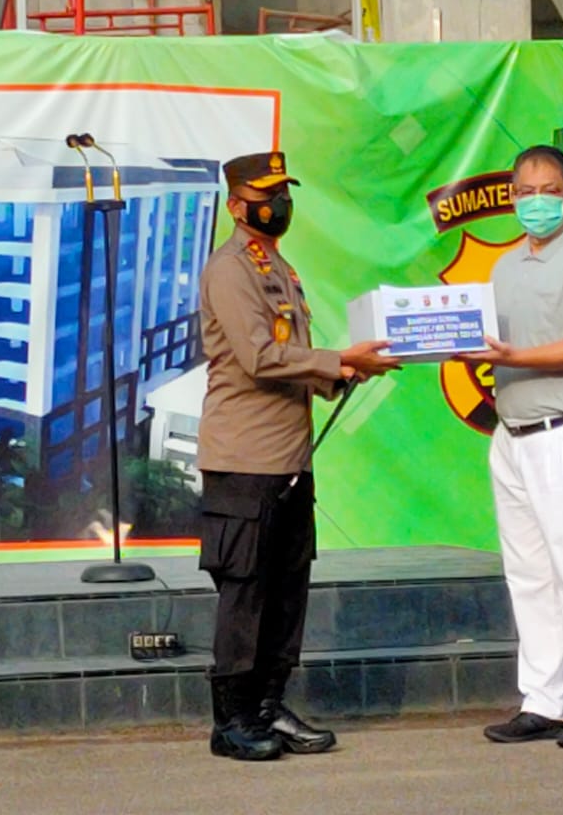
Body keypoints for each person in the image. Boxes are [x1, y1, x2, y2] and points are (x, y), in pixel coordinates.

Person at [197, 151, 398, 761]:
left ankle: (268, 706)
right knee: (246, 593)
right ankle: (231, 720)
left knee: (287, 591)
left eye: (284, 192)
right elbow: (258, 358)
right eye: (266, 194)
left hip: (288, 458)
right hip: (244, 460)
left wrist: (341, 376)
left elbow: (291, 359)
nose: (278, 203)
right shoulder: (230, 269)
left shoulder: (277, 268)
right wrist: (338, 361)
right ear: (236, 205)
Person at [466, 144, 563, 749]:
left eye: (546, 189)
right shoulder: (506, 267)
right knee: (529, 573)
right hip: (514, 435)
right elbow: (491, 341)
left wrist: (514, 359)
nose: (534, 201)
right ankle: (544, 696)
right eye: (523, 191)